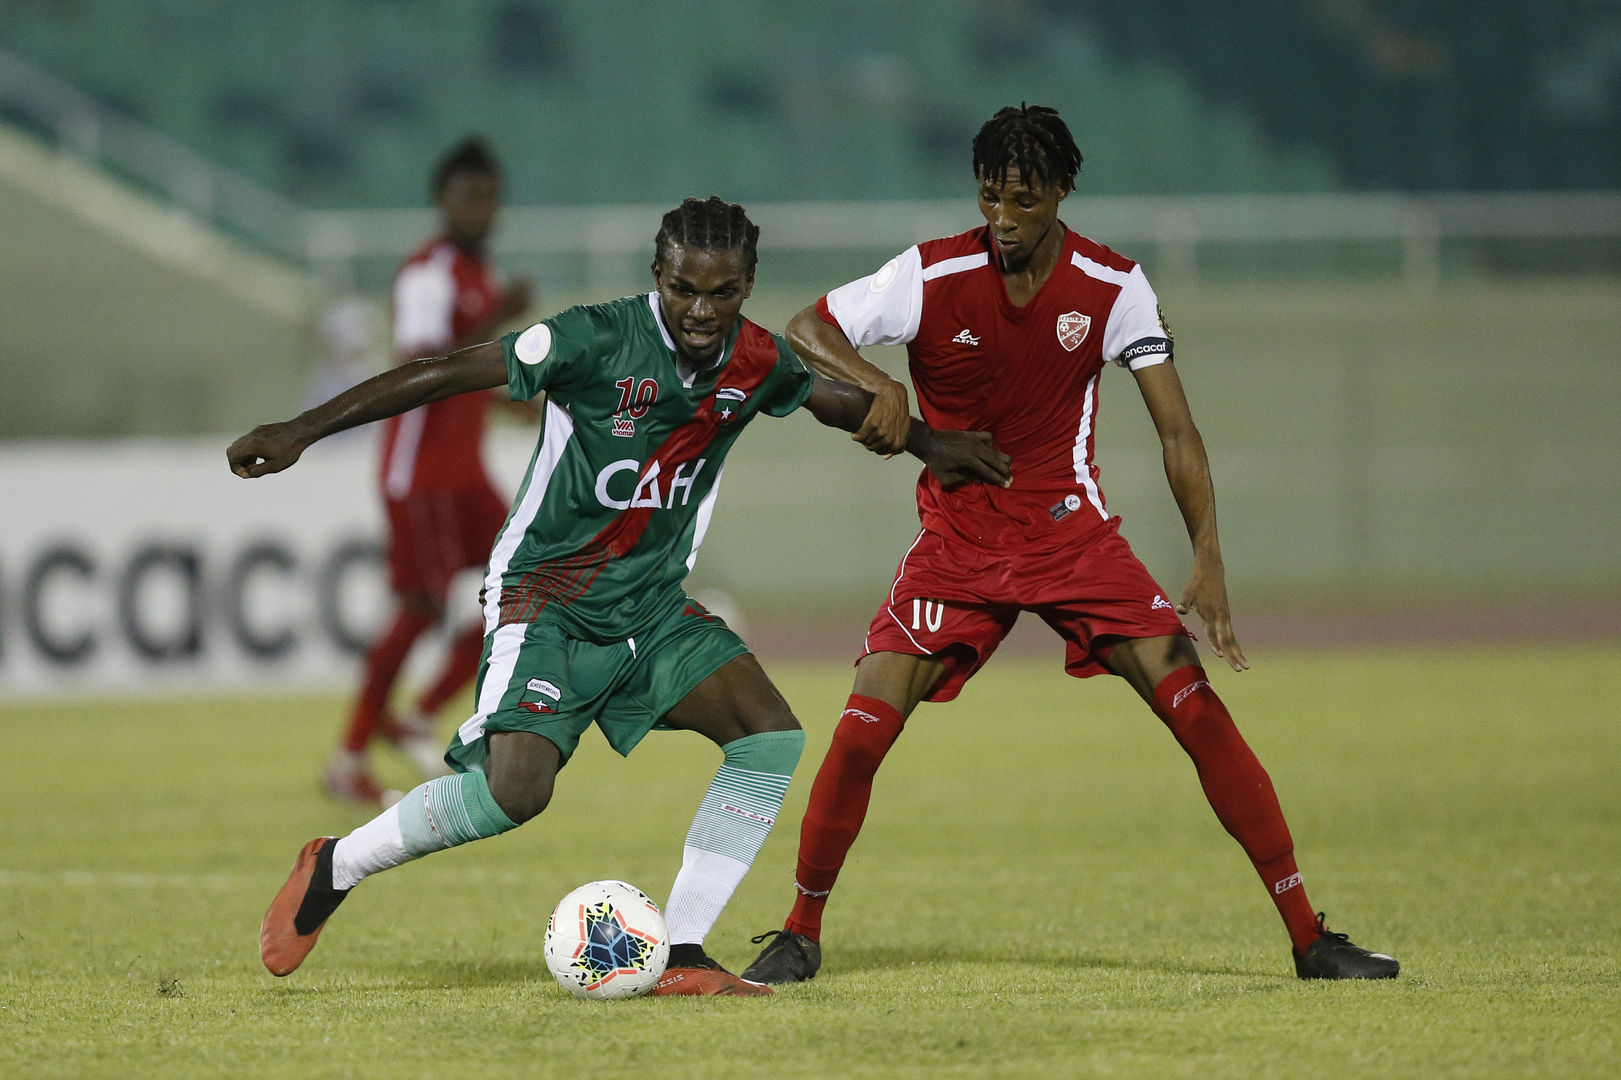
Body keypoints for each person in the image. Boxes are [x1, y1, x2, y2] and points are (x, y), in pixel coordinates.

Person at [228, 196, 1012, 996]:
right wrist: (300, 430)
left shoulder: (754, 359)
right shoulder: (592, 337)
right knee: (515, 792)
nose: (701, 311)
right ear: (657, 276)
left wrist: (927, 442)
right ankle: (337, 863)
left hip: (649, 605)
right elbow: (442, 372)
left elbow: (831, 402)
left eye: (723, 292)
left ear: (746, 285)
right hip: (547, 597)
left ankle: (684, 952)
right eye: (683, 289)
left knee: (767, 735)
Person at [741, 105, 1400, 984]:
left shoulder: (1112, 285)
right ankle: (798, 932)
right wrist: (875, 382)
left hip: (1069, 537)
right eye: (988, 199)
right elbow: (806, 327)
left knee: (1197, 713)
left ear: (1058, 191)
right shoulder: (929, 273)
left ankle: (1308, 937)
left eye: (1020, 201)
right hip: (958, 541)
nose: (1002, 220)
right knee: (860, 731)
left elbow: (1176, 432)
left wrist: (1206, 555)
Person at [325, 137, 536, 805]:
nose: (478, 208)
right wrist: (498, 318)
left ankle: (416, 718)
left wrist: (508, 406)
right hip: (419, 471)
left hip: (463, 471)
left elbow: (462, 378)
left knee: (528, 580)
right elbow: (421, 369)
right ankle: (349, 755)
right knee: (419, 608)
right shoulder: (429, 275)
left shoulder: (479, 277)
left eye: (488, 196)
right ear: (441, 201)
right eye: (466, 195)